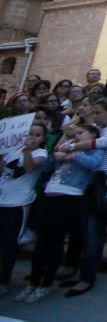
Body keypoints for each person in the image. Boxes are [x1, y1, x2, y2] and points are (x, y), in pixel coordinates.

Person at [17, 123, 102, 305]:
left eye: (81, 133)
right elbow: (46, 167)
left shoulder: (93, 150)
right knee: (41, 242)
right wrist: (58, 151)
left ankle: (45, 284)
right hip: (49, 196)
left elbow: (95, 164)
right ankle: (33, 282)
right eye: (76, 133)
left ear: (92, 136)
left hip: (69, 198)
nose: (76, 136)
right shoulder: (65, 146)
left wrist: (75, 153)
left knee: (55, 242)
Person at [59, 96, 107, 297]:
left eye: (99, 112)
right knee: (88, 231)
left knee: (94, 231)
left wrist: (73, 147)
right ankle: (84, 273)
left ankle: (86, 279)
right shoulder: (97, 126)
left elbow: (102, 143)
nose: (96, 116)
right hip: (94, 181)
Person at [0, 122, 48, 297]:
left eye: (37, 135)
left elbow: (29, 168)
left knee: (9, 244)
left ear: (43, 138)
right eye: (30, 134)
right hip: (1, 200)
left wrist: (27, 151)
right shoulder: (11, 151)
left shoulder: (41, 153)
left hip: (18, 204)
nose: (33, 138)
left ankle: (4, 281)